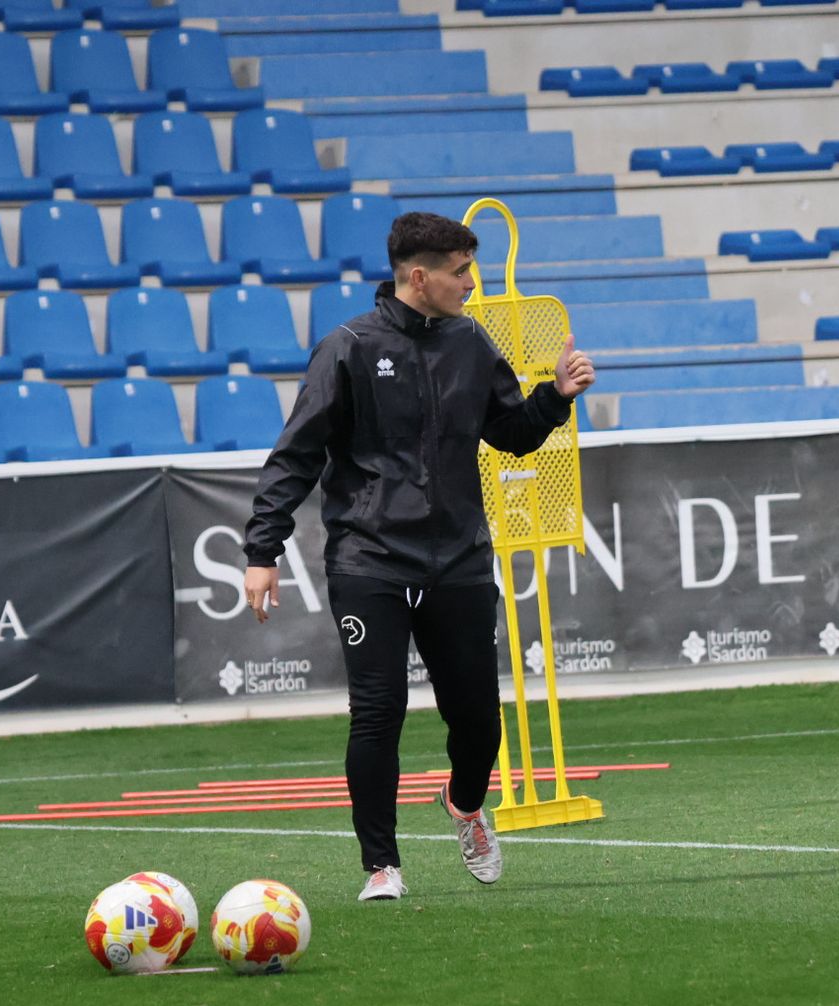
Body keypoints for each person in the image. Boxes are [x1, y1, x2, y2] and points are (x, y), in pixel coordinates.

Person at [241, 212, 595, 902]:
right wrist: (263, 549)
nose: (471, 283)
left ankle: (464, 805)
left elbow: (510, 435)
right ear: (419, 276)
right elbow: (296, 455)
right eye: (461, 272)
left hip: (458, 558)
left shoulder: (471, 340)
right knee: (378, 710)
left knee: (477, 720)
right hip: (369, 560)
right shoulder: (345, 346)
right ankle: (382, 863)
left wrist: (554, 398)